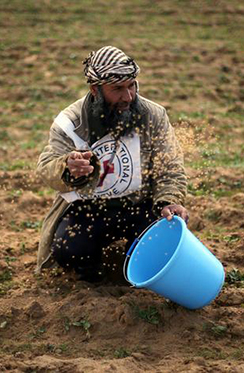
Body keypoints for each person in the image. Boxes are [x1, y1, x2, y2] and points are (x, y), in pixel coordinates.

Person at [36, 46, 188, 282]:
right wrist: (67, 168)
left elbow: (170, 165)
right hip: (89, 210)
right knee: (69, 249)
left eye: (132, 86)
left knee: (164, 241)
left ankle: (133, 269)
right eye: (117, 89)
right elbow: (46, 167)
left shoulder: (153, 115)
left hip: (141, 205)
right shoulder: (70, 122)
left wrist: (169, 200)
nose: (127, 97)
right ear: (95, 89)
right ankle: (96, 278)